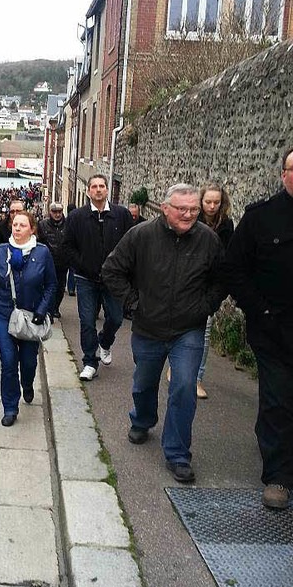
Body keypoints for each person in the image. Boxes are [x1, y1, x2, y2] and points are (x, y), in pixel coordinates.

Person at [101, 183, 224, 483]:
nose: (189, 214)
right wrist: (133, 303)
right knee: (144, 384)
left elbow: (222, 280)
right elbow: (111, 270)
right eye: (182, 209)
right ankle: (142, 420)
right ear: (165, 208)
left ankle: (178, 453)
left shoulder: (208, 240)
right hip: (148, 327)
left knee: (184, 386)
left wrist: (205, 306)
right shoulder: (141, 235)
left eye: (194, 209)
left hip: (188, 330)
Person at [224, 148, 293, 509]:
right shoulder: (261, 218)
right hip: (274, 329)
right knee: (278, 399)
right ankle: (279, 477)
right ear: (283, 174)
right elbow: (234, 269)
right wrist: (260, 310)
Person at [0, 210, 56, 426]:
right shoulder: (0, 253)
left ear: (32, 229)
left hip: (31, 316)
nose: (17, 228)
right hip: (4, 315)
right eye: (15, 224)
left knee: (28, 362)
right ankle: (10, 407)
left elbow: (51, 285)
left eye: (22, 225)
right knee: (9, 361)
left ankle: (27, 384)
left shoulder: (42, 253)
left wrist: (42, 309)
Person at [62, 173, 134, 380]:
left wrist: (124, 269)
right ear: (88, 191)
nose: (99, 189)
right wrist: (82, 264)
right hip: (86, 278)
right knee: (86, 321)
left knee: (116, 317)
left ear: (107, 190)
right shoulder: (77, 217)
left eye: (102, 186)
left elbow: (131, 244)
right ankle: (89, 362)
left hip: (114, 279)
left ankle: (105, 341)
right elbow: (67, 246)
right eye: (94, 186)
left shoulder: (121, 215)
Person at [195, 182, 234, 399]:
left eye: (216, 202)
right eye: (208, 202)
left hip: (211, 285)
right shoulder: (193, 220)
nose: (212, 206)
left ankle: (197, 378)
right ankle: (177, 366)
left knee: (205, 333)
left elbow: (227, 257)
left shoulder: (226, 225)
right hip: (191, 281)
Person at [37, 202, 67, 318]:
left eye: (59, 212)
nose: (57, 214)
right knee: (48, 286)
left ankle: (55, 308)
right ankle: (49, 309)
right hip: (48, 262)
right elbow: (39, 242)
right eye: (55, 212)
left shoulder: (68, 224)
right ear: (50, 212)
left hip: (63, 262)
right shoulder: (43, 225)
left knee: (60, 287)